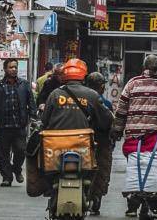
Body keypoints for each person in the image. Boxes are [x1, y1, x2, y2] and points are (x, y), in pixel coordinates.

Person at [39, 59, 113, 214]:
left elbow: (44, 121)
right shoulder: (92, 95)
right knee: (91, 172)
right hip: (82, 149)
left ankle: (51, 192)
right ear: (83, 75)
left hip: (55, 150)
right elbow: (105, 121)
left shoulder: (55, 94)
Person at [111, 54, 157, 217]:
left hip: (133, 137)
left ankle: (133, 204)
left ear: (144, 67)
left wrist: (117, 130)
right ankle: (151, 203)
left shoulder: (132, 84)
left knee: (136, 169)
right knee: (155, 169)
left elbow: (121, 111)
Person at [0, 59, 33, 186]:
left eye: (15, 67)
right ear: (5, 69)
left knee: (21, 150)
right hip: (3, 125)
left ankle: (17, 169)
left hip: (19, 125)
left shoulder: (24, 84)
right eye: (11, 67)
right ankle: (7, 177)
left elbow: (31, 102)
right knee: (3, 153)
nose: (14, 69)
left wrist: (33, 116)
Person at [84, 73, 116, 208]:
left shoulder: (80, 99)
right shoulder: (105, 103)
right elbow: (109, 123)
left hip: (82, 141)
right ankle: (96, 198)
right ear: (102, 86)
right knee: (101, 171)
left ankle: (87, 196)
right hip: (102, 142)